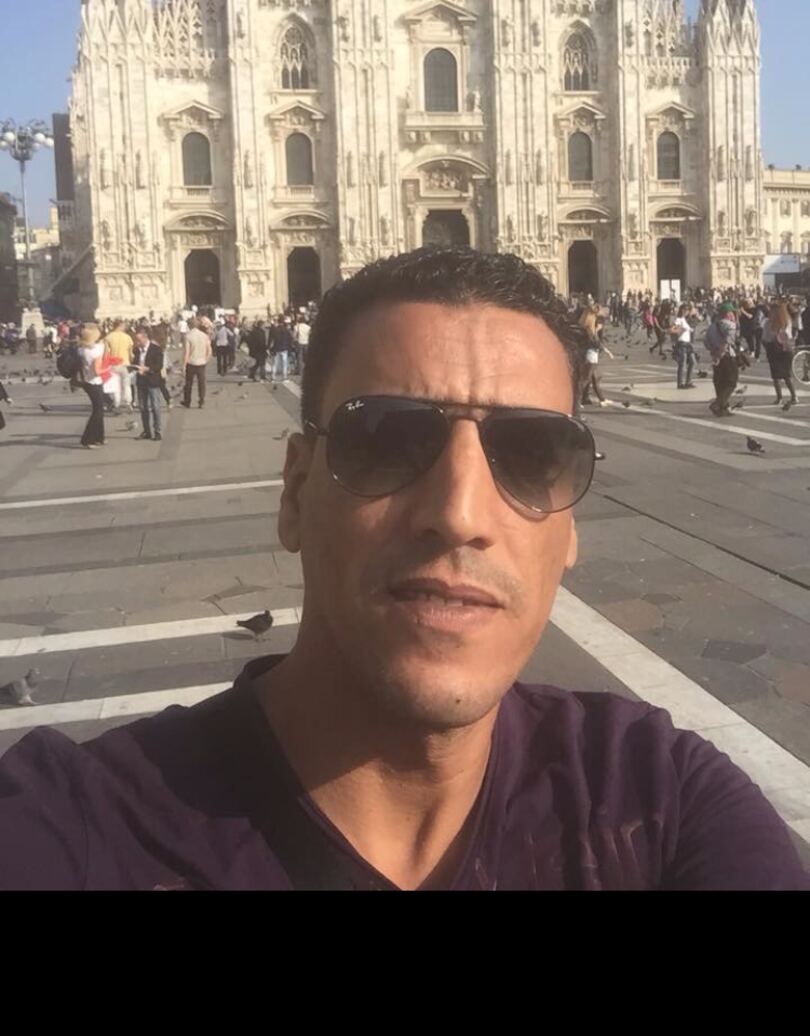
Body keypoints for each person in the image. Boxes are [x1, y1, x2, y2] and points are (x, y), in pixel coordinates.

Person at [0, 248, 806, 891]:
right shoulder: (80, 828)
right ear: (294, 492)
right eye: (386, 439)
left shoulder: (658, 801)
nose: (459, 512)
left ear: (570, 530)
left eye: (532, 454)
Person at [705, 302, 738, 417]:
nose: (733, 314)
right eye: (732, 312)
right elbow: (729, 339)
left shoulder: (711, 327)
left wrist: (714, 352)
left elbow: (706, 343)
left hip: (715, 357)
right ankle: (718, 403)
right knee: (731, 382)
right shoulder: (730, 325)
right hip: (726, 356)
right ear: (728, 313)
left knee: (719, 382)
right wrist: (721, 351)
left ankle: (723, 408)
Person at [762, 300, 796, 409]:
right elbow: (788, 337)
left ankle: (783, 397)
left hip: (776, 350)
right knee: (782, 375)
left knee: (781, 375)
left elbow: (765, 338)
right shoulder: (786, 322)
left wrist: (769, 344)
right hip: (785, 350)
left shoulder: (770, 323)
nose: (770, 312)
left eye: (772, 310)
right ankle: (789, 396)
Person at [132, 327, 164, 440]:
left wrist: (147, 369)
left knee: (155, 406)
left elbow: (159, 365)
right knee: (143, 407)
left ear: (145, 338)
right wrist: (134, 367)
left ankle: (157, 431)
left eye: (139, 340)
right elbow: (135, 362)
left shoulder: (156, 349)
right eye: (136, 340)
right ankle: (146, 431)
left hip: (152, 381)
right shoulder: (136, 350)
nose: (137, 343)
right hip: (141, 381)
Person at [77, 324, 106, 449]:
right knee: (98, 411)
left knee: (99, 409)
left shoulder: (81, 350)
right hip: (95, 381)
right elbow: (98, 371)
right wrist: (108, 368)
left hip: (86, 381)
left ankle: (99, 437)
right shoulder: (97, 351)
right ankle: (88, 439)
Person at [104, 318, 135, 410]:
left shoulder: (108, 337)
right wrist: (131, 361)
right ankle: (128, 402)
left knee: (116, 386)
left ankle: (117, 404)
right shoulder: (127, 337)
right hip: (125, 363)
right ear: (120, 326)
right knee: (126, 384)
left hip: (113, 364)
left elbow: (106, 353)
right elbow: (131, 353)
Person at [182, 317, 211, 409]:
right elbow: (209, 350)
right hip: (201, 363)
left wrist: (184, 365)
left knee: (188, 383)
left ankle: (187, 401)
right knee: (201, 383)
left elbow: (187, 352)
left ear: (190, 326)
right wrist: (206, 360)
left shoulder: (188, 336)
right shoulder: (204, 336)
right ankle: (201, 401)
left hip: (191, 362)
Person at [671, 304, 696, 390]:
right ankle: (680, 383)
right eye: (684, 310)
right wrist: (681, 330)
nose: (686, 311)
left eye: (687, 310)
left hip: (688, 344)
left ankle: (688, 381)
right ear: (681, 310)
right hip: (682, 343)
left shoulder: (684, 320)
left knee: (693, 362)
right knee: (682, 364)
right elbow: (672, 330)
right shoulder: (678, 320)